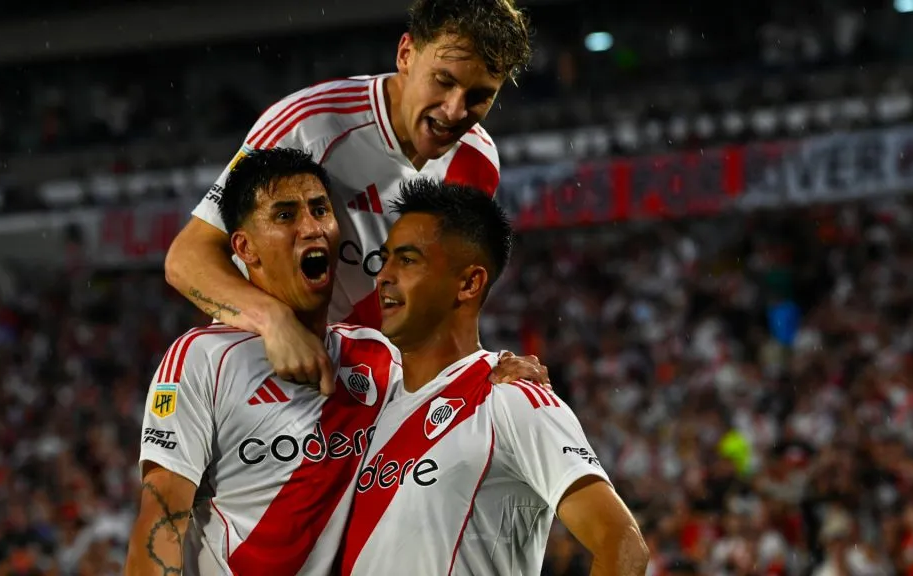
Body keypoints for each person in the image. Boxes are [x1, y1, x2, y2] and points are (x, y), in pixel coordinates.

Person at [124, 149, 543, 576]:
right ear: (245, 248)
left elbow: (451, 390)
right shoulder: (201, 360)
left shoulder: (381, 357)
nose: (311, 228)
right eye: (285, 216)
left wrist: (497, 372)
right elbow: (160, 530)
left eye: (320, 210)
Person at [164, 0, 533, 395]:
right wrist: (273, 320)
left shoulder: (478, 164)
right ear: (406, 54)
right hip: (269, 374)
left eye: (478, 95)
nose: (454, 110)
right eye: (443, 81)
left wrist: (488, 366)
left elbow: (443, 304)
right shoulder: (308, 126)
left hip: (374, 393)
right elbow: (186, 259)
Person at [337, 179, 650, 576]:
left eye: (408, 259)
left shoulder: (511, 400)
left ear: (468, 283)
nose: (383, 276)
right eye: (384, 259)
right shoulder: (369, 407)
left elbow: (622, 544)